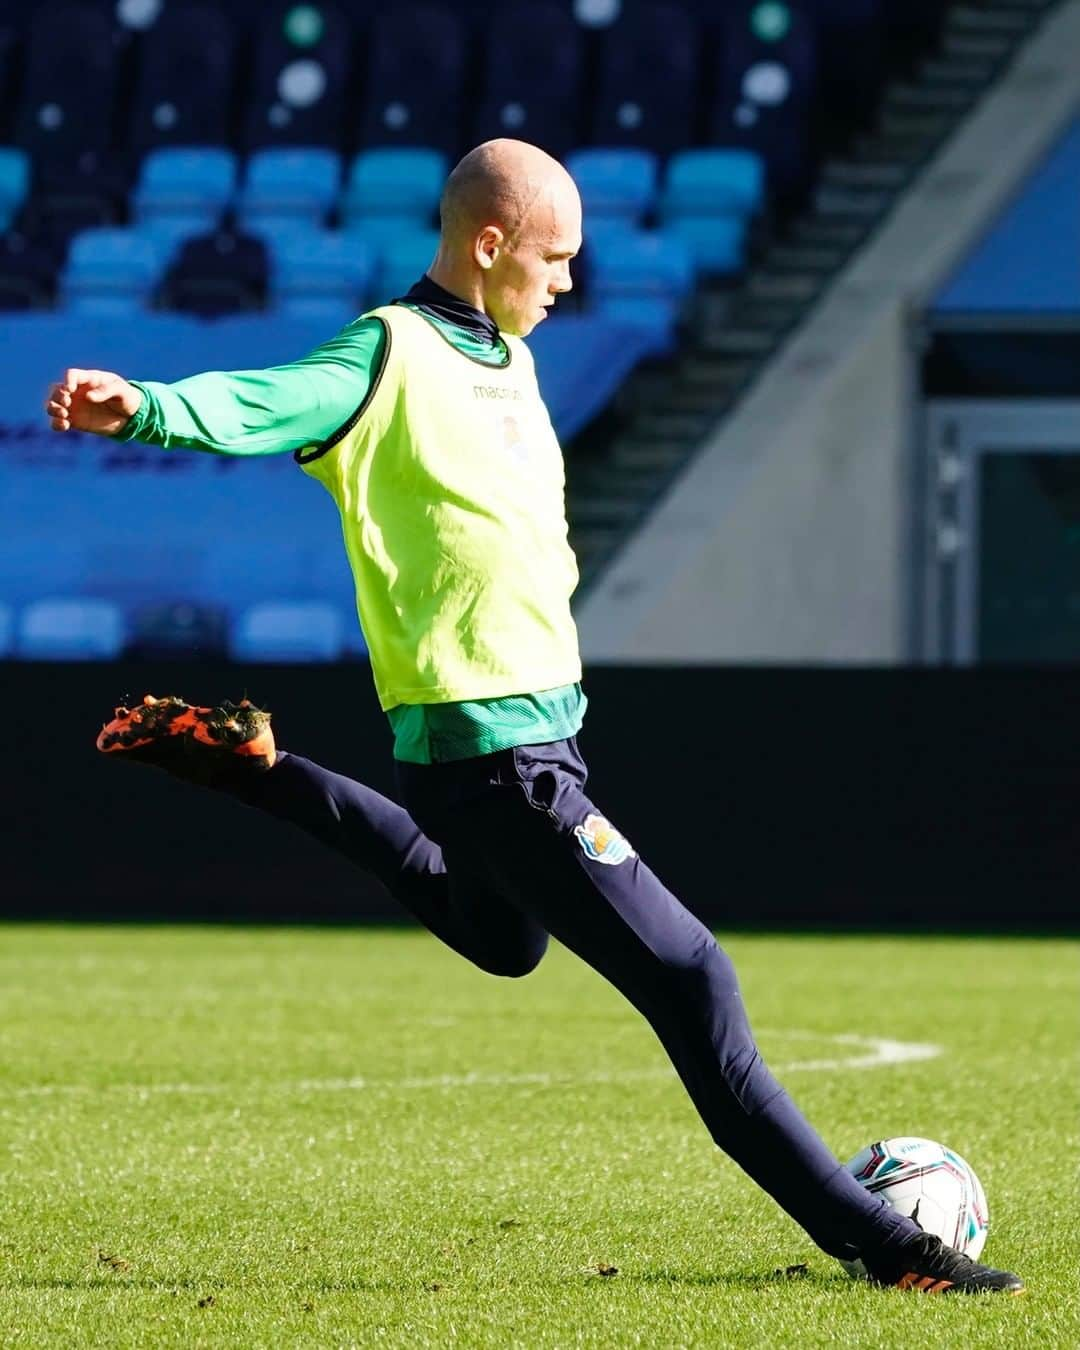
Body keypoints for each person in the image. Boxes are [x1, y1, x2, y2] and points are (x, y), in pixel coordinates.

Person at [46, 139, 1021, 1294]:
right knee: (694, 979)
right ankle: (890, 1245)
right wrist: (146, 406)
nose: (567, 280)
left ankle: (259, 768)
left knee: (502, 939)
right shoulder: (392, 349)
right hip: (497, 756)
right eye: (554, 257)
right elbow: (273, 398)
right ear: (488, 242)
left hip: (521, 747)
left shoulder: (507, 355)